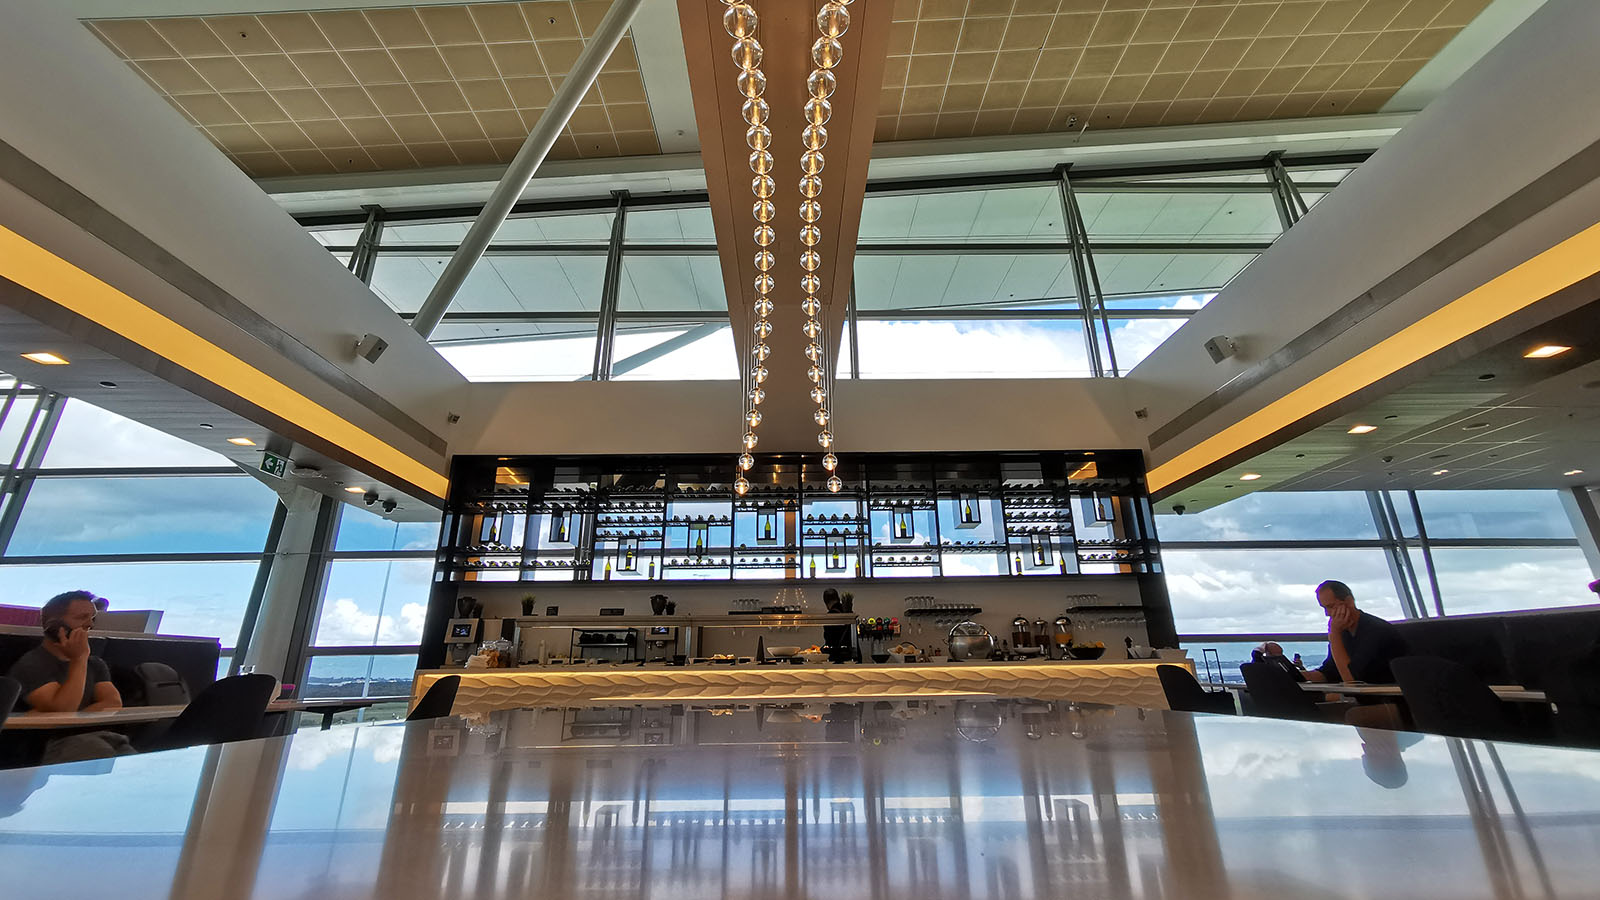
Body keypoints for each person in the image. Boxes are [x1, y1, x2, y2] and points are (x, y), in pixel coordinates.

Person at [6, 590, 122, 713]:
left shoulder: (94, 664)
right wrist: (79, 659)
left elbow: (113, 703)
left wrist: (78, 717)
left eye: (92, 618)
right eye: (82, 617)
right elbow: (61, 710)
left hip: (95, 731)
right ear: (54, 624)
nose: (90, 624)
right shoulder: (31, 665)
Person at [1304, 580, 1407, 685]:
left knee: (1326, 697)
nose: (1327, 614)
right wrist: (1301, 676)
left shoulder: (1376, 631)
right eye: (1324, 608)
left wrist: (1334, 635)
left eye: (1331, 606)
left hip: (1385, 694)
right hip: (1361, 692)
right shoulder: (1344, 632)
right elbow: (1330, 672)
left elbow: (1353, 680)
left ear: (1349, 602)